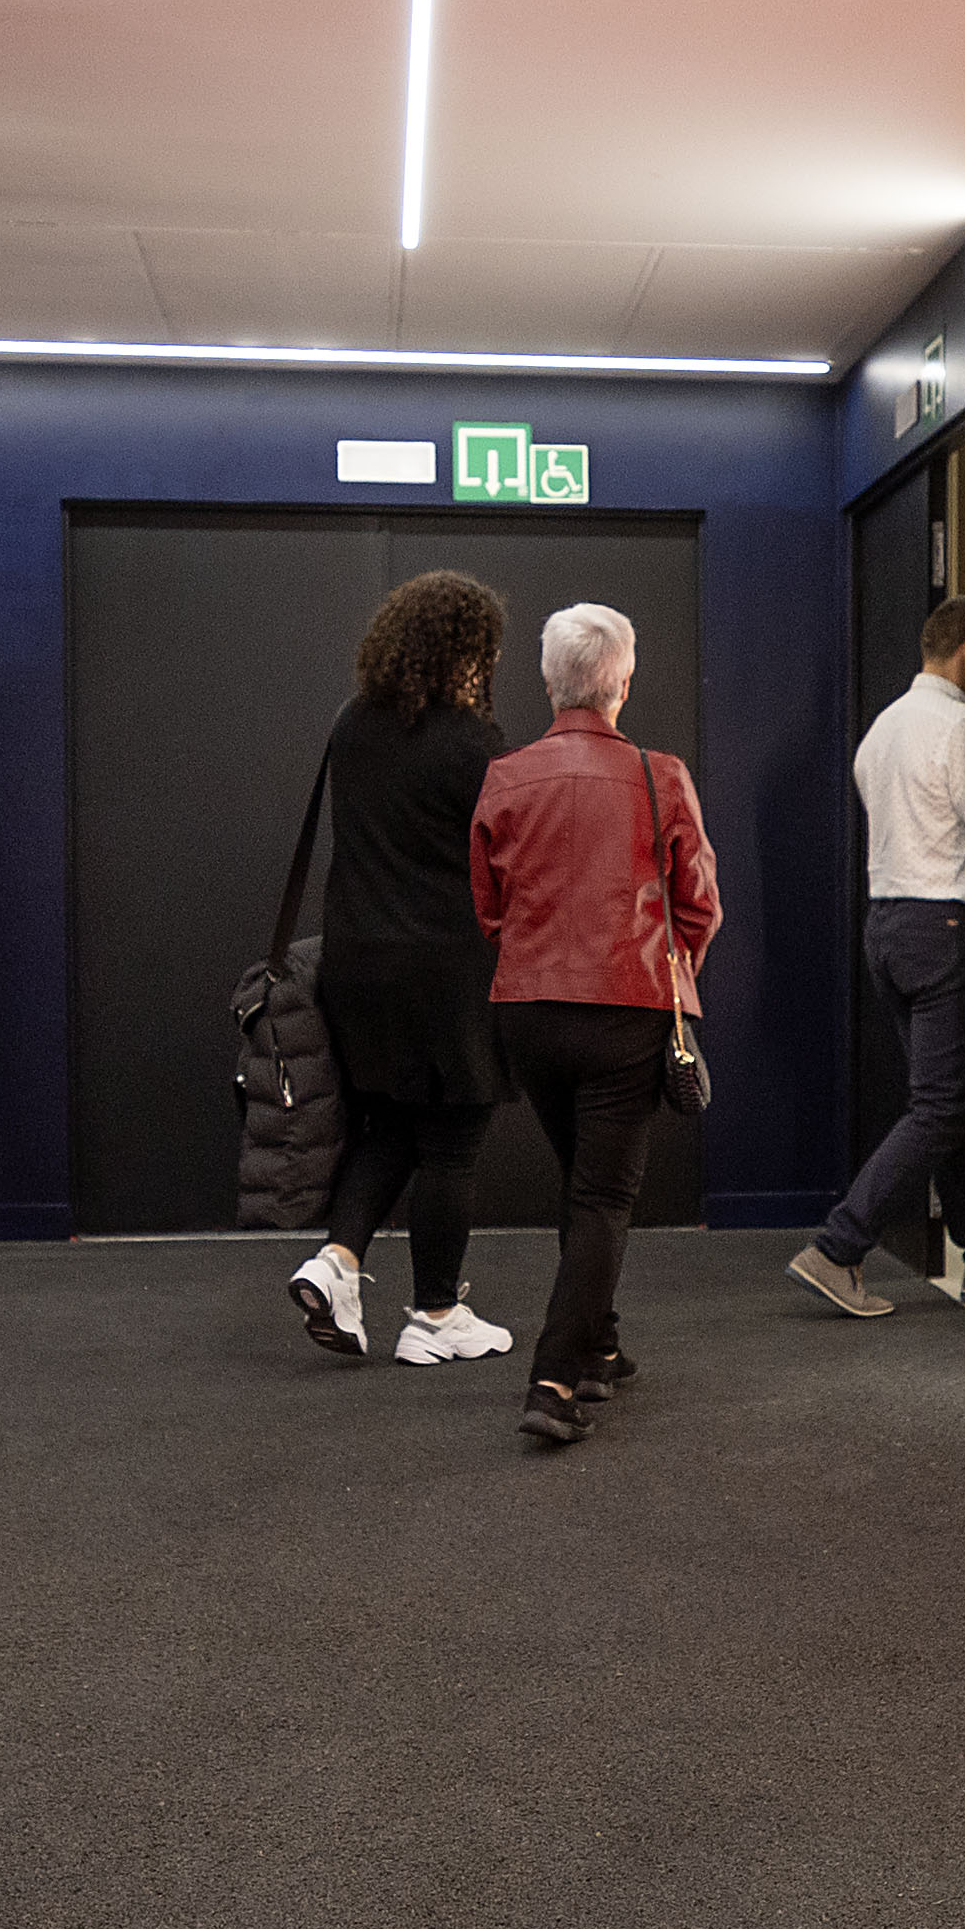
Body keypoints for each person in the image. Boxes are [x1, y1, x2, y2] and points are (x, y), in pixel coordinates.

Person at [467, 601, 722, 1449]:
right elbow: (700, 908)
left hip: (529, 1011)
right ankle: (552, 1375)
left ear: (548, 682)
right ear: (622, 682)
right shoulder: (661, 775)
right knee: (604, 1194)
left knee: (582, 1177)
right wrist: (669, 964)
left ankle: (600, 1343)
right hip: (629, 1007)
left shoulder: (506, 777)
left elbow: (487, 906)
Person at [285, 572, 524, 1370]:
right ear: (468, 650)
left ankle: (338, 1262)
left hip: (355, 961)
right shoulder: (474, 746)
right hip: (446, 968)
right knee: (452, 1140)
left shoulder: (351, 725)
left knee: (385, 1121)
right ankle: (434, 1313)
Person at [791, 593, 965, 1317]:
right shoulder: (964, 728)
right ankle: (839, 1245)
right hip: (947, 930)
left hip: (885, 930)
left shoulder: (880, 730)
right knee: (943, 1106)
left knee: (934, 1104)